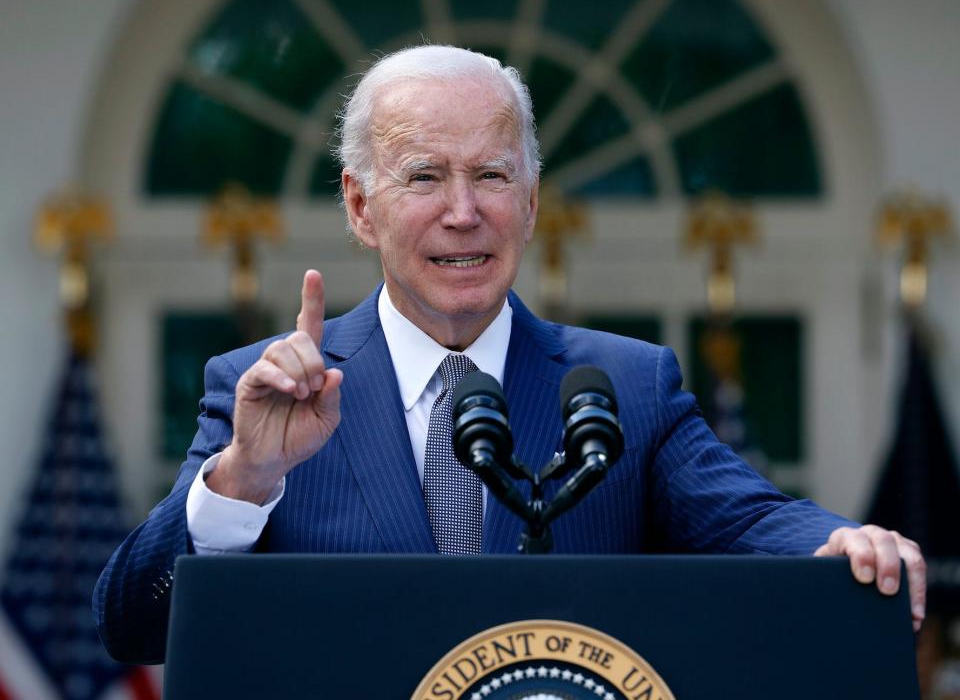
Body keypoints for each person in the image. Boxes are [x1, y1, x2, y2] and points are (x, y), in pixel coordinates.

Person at [94, 45, 926, 664]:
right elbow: (132, 625)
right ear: (359, 205)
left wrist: (844, 544)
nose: (464, 212)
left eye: (492, 176)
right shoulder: (261, 393)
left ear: (529, 204)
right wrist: (245, 480)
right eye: (424, 178)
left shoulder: (626, 387)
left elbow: (752, 521)